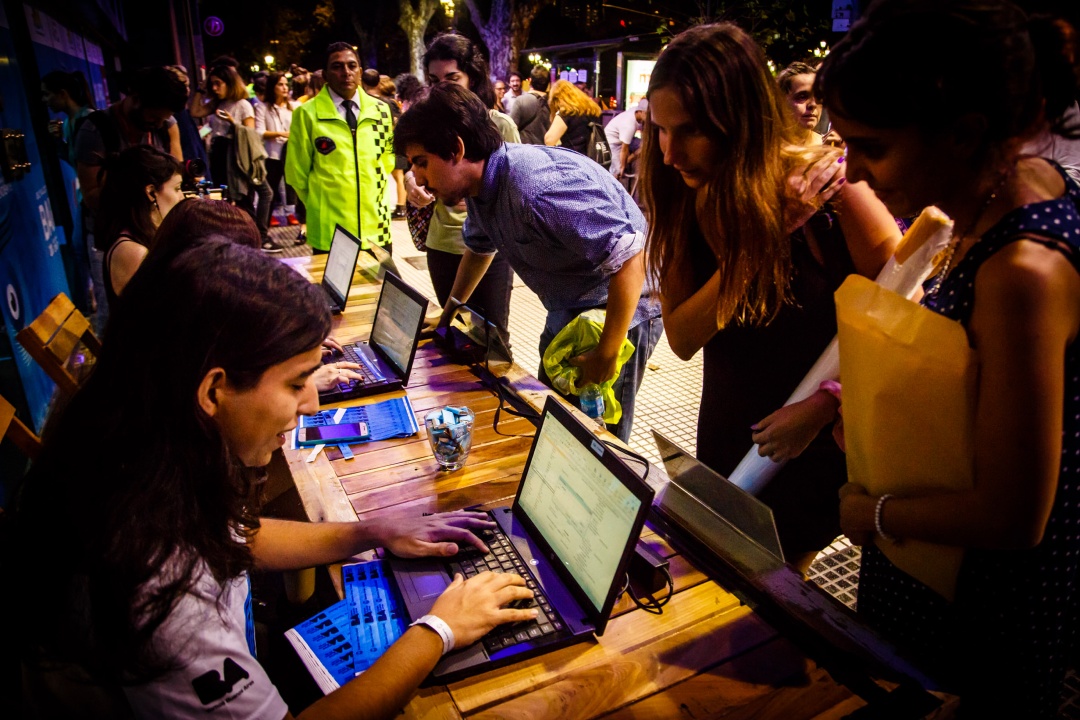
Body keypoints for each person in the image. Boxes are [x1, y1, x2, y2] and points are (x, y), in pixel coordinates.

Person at [13, 236, 536, 719]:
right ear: (214, 390)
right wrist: (440, 629)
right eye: (295, 382)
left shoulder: (139, 462)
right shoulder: (162, 589)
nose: (310, 403)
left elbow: (238, 538)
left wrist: (375, 531)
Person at [816, 1, 1080, 714]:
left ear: (964, 134)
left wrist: (872, 512)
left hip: (980, 596)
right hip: (927, 551)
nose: (856, 173)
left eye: (873, 146)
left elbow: (1014, 514)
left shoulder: (1022, 269)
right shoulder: (986, 208)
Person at [641, 23, 900, 571]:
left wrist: (825, 402)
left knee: (785, 583)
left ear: (739, 120)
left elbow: (906, 305)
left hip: (812, 434)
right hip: (728, 429)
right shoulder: (681, 191)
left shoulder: (828, 184)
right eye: (659, 130)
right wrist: (758, 246)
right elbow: (685, 338)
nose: (669, 154)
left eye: (689, 131)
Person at [396, 83, 663, 442]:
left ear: (457, 149)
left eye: (421, 162)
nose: (419, 178)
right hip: (570, 305)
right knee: (551, 421)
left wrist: (608, 352)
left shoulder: (535, 189)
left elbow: (632, 256)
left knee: (599, 444)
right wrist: (448, 312)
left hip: (621, 310)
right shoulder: (479, 187)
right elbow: (478, 248)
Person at [403, 33, 519, 337]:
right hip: (443, 241)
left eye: (453, 78)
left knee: (492, 339)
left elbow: (513, 186)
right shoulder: (426, 126)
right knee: (453, 332)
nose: (443, 87)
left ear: (473, 77)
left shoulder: (499, 126)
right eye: (434, 79)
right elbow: (411, 165)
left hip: (490, 249)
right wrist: (410, 182)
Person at [286, 42, 394, 253]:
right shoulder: (307, 114)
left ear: (360, 72)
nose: (346, 72)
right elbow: (296, 175)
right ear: (325, 74)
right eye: (337, 66)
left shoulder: (381, 110)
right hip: (330, 231)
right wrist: (322, 204)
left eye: (352, 66)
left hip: (377, 227)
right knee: (334, 287)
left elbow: (387, 161)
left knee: (381, 286)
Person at [190, 64, 278, 252]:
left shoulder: (243, 104)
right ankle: (250, 240)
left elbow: (251, 134)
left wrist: (233, 122)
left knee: (254, 195)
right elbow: (195, 112)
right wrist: (200, 88)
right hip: (220, 155)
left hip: (239, 155)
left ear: (229, 83)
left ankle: (259, 237)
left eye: (218, 83)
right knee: (232, 198)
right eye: (212, 84)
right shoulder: (217, 103)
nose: (214, 88)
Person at [93, 145, 184, 305]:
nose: (182, 197)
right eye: (177, 189)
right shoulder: (132, 251)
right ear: (151, 192)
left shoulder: (151, 235)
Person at [255, 71, 301, 234]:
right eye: (280, 84)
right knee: (270, 193)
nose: (284, 87)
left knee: (297, 191)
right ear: (272, 87)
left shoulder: (295, 106)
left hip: (292, 153)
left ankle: (303, 229)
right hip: (272, 155)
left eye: (285, 84)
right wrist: (281, 134)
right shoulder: (262, 107)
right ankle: (263, 232)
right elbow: (259, 131)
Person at [544, 79, 601, 155]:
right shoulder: (591, 109)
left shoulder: (566, 112)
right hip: (592, 158)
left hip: (574, 159)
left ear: (557, 99)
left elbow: (549, 140)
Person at [777, 62, 823, 146]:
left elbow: (841, 159)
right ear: (781, 101)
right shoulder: (768, 149)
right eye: (802, 97)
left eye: (818, 96)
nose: (813, 105)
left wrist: (840, 156)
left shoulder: (826, 145)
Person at [605, 98, 647, 181]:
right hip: (612, 142)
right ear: (640, 111)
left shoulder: (635, 111)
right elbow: (624, 148)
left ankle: (626, 161)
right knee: (617, 172)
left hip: (623, 138)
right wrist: (622, 166)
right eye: (647, 114)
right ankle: (620, 166)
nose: (649, 117)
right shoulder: (629, 125)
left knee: (646, 146)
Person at [509, 65, 551, 145]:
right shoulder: (552, 103)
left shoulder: (521, 101)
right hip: (547, 152)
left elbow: (511, 130)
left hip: (525, 152)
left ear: (530, 81)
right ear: (548, 83)